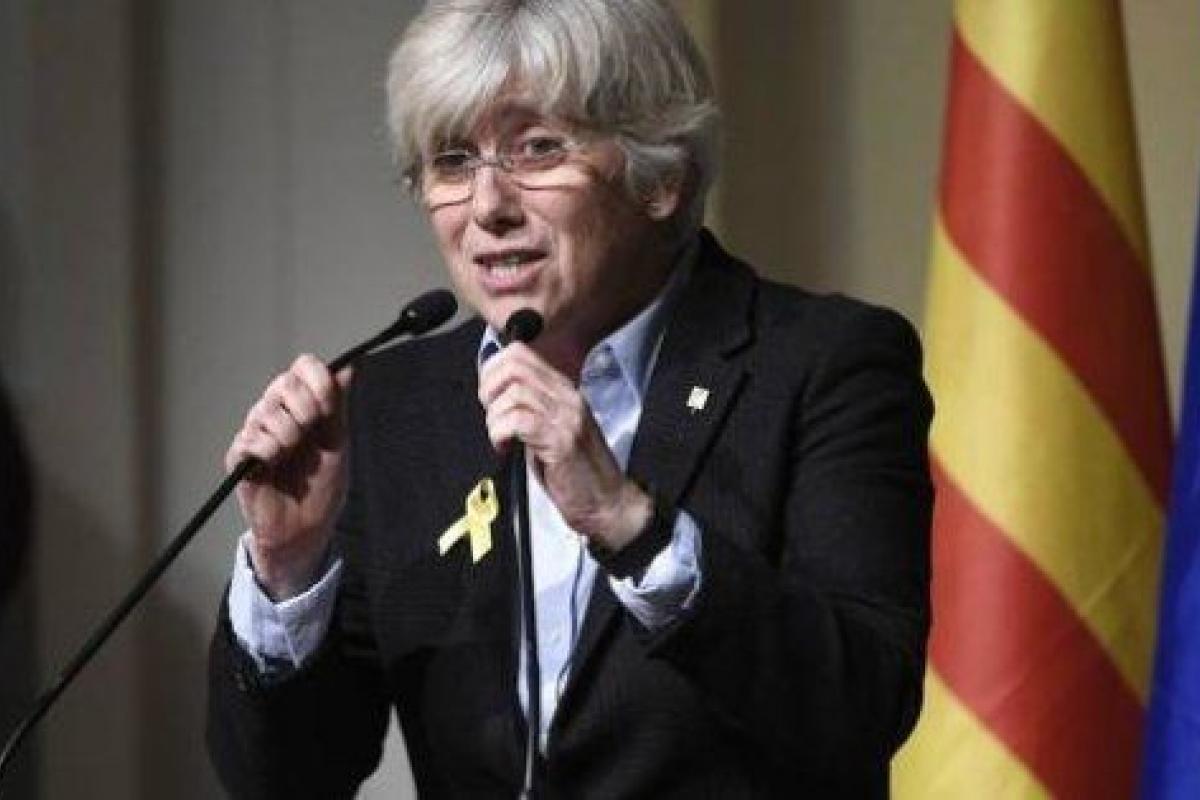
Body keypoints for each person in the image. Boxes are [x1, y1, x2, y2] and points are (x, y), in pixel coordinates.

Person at [206, 1, 933, 797]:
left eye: (538, 149)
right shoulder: (398, 406)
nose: (487, 207)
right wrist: (289, 571)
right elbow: (288, 781)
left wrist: (631, 525)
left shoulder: (824, 366)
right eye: (452, 161)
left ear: (661, 175)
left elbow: (864, 704)